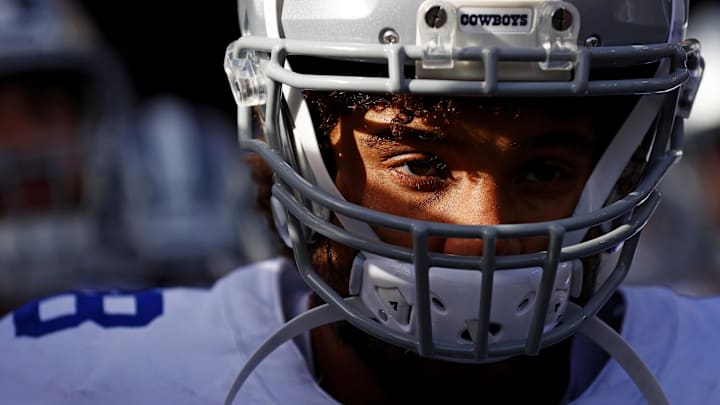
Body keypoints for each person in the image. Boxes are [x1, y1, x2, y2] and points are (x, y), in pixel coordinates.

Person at [1, 1, 718, 404]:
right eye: (419, 164)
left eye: (546, 170)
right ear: (278, 141)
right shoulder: (82, 381)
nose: (483, 232)